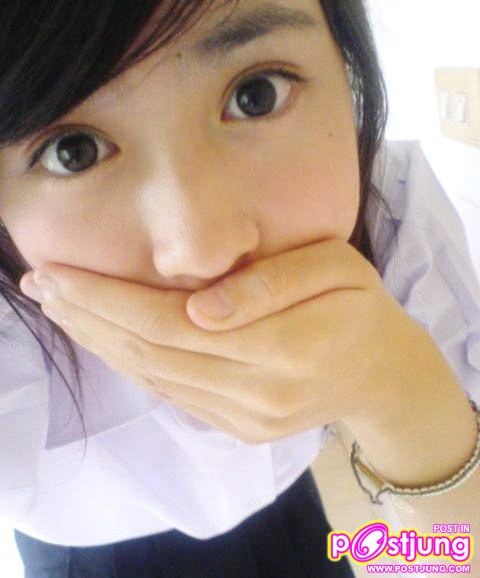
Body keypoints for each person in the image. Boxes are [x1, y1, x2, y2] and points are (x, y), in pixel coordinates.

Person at [0, 1, 478, 576]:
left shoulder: (392, 213)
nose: (204, 251)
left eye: (256, 95)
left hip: (290, 508)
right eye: (73, 152)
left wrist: (403, 395)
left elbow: (457, 552)